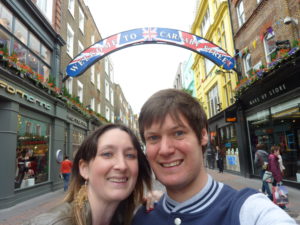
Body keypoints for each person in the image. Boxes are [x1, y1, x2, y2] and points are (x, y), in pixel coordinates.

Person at [132, 89, 296, 225]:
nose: (165, 150)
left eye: (178, 133)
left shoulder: (248, 210)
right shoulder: (140, 218)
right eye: (153, 138)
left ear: (203, 135)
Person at [22, 124, 152, 225]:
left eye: (130, 155)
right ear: (84, 169)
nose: (122, 165)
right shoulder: (53, 222)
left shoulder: (135, 217)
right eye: (107, 154)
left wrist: (161, 204)